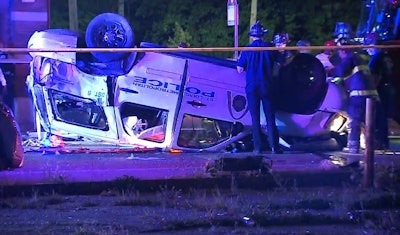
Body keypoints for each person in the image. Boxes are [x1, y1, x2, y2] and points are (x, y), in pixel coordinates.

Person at [328, 24, 379, 154]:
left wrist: (327, 72)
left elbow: (341, 70)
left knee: (354, 120)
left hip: (359, 96)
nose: (339, 53)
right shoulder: (359, 57)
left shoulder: (350, 57)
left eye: (339, 51)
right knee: (368, 122)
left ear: (344, 49)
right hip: (371, 96)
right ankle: (371, 147)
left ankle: (353, 147)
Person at [237, 20, 285, 154]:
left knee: (255, 118)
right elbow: (283, 62)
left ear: (252, 36)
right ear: (263, 35)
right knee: (270, 117)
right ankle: (274, 146)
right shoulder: (270, 47)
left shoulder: (247, 49)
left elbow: (239, 68)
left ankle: (257, 148)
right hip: (267, 86)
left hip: (252, 86)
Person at [364, 32, 394, 150]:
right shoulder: (386, 57)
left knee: (377, 118)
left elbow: (375, 76)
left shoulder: (376, 58)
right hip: (388, 88)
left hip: (380, 90)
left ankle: (378, 145)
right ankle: (384, 143)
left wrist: (372, 91)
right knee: (383, 118)